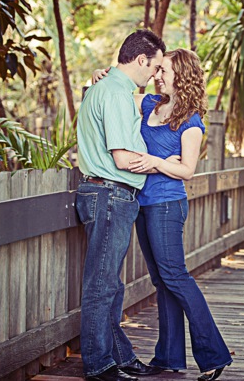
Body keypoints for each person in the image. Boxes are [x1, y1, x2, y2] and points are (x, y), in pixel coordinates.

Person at [92, 49, 233, 381]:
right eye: (157, 70)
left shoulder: (191, 121)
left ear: (181, 76)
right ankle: (169, 357)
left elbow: (187, 170)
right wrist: (101, 75)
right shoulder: (148, 104)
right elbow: (122, 87)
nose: (157, 75)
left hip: (168, 205)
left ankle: (214, 355)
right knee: (162, 281)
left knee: (176, 277)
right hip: (143, 202)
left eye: (164, 71)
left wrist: (154, 162)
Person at [75, 29, 166, 381]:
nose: (156, 75)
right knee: (102, 283)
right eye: (156, 67)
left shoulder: (109, 88)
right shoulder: (113, 94)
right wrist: (162, 161)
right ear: (141, 60)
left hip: (107, 194)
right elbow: (123, 158)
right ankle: (99, 365)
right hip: (110, 193)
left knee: (110, 283)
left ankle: (119, 355)